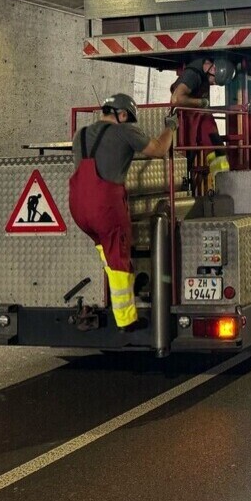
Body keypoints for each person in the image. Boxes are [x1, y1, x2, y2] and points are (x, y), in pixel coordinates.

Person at [68, 93, 176, 332]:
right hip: (105, 206)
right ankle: (127, 319)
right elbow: (158, 150)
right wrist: (170, 129)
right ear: (123, 114)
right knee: (118, 258)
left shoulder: (81, 134)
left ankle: (123, 291)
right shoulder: (124, 131)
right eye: (129, 119)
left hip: (78, 208)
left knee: (107, 252)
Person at [170, 56, 234, 184]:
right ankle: (189, 184)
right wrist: (201, 102)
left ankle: (222, 182)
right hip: (186, 121)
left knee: (216, 147)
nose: (214, 84)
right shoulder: (192, 75)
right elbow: (175, 99)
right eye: (215, 80)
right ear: (214, 69)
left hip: (198, 117)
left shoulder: (205, 72)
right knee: (186, 159)